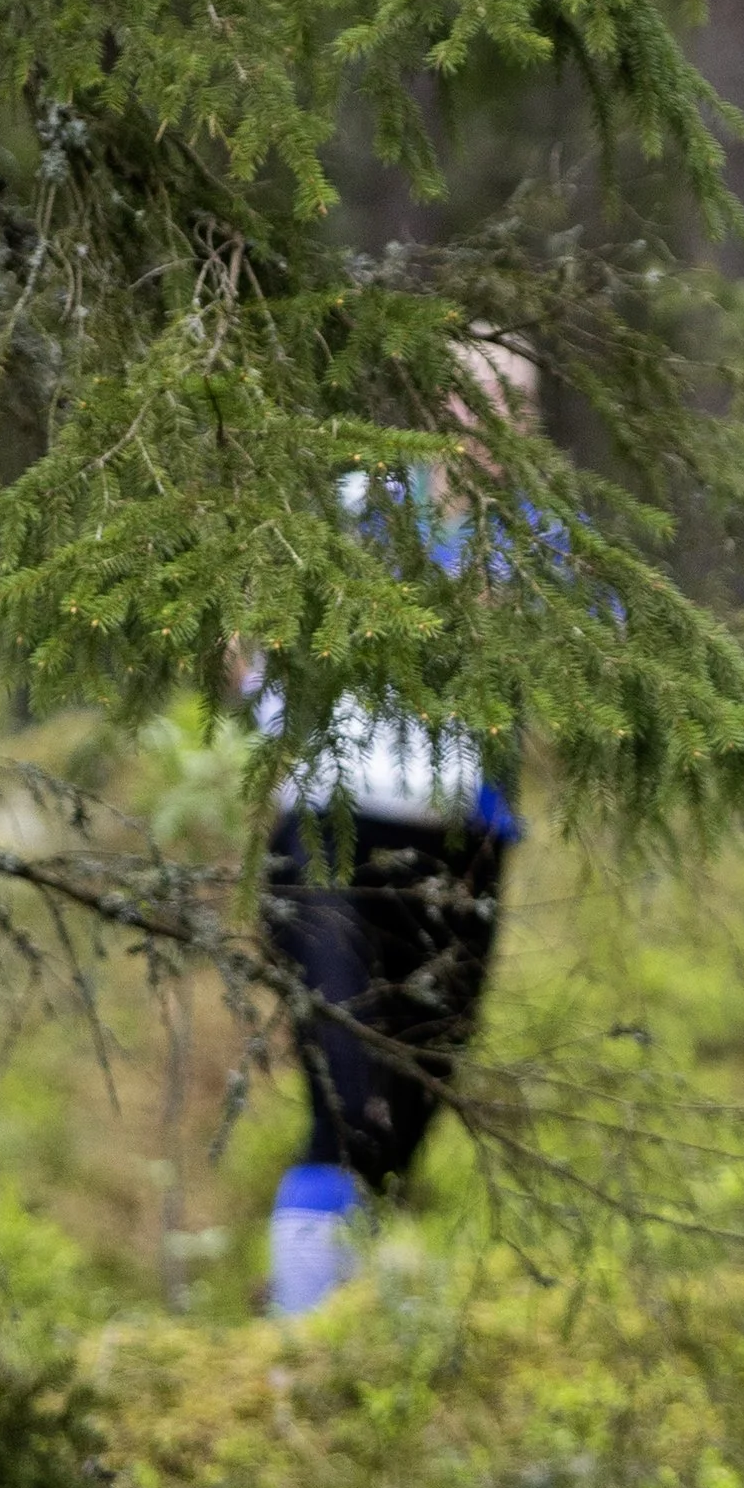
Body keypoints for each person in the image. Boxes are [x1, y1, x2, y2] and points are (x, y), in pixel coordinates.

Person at [256, 339, 536, 1314]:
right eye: (471, 403)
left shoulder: (534, 539)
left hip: (463, 849)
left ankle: (345, 1319)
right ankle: (296, 1337)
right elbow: (252, 634)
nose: (488, 427)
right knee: (348, 1092)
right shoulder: (357, 507)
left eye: (511, 406)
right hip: (330, 831)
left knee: (417, 1098)